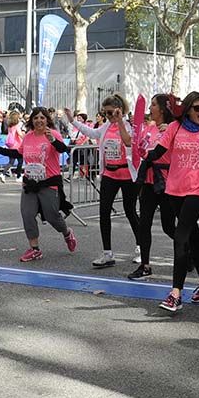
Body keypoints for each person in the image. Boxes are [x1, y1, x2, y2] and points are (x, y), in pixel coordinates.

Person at [139, 91, 199, 314]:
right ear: (188, 108)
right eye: (198, 108)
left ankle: (175, 293)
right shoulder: (175, 127)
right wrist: (140, 153)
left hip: (198, 189)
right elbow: (158, 152)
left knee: (181, 236)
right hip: (174, 189)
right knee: (193, 236)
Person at [0, 107, 77, 263]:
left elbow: (64, 149)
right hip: (30, 182)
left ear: (47, 120)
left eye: (42, 118)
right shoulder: (28, 137)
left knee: (52, 216)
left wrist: (53, 141)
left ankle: (66, 233)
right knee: (27, 214)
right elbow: (19, 153)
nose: (39, 120)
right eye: (36, 118)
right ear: (32, 120)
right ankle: (35, 249)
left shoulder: (52, 134)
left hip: (49, 181)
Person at [66, 95, 140, 269]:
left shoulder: (131, 126)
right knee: (104, 212)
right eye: (105, 113)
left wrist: (120, 120)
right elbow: (91, 133)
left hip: (127, 175)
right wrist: (72, 121)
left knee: (130, 211)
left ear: (120, 110)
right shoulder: (106, 126)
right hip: (110, 174)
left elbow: (129, 143)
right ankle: (107, 253)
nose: (108, 116)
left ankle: (141, 247)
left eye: (111, 112)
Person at [129, 94, 179, 280]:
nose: (150, 107)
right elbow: (133, 144)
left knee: (168, 226)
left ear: (163, 109)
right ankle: (145, 265)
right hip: (148, 180)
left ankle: (188, 250)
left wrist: (173, 132)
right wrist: (122, 123)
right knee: (144, 224)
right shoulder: (149, 127)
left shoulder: (173, 128)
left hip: (166, 181)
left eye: (153, 104)